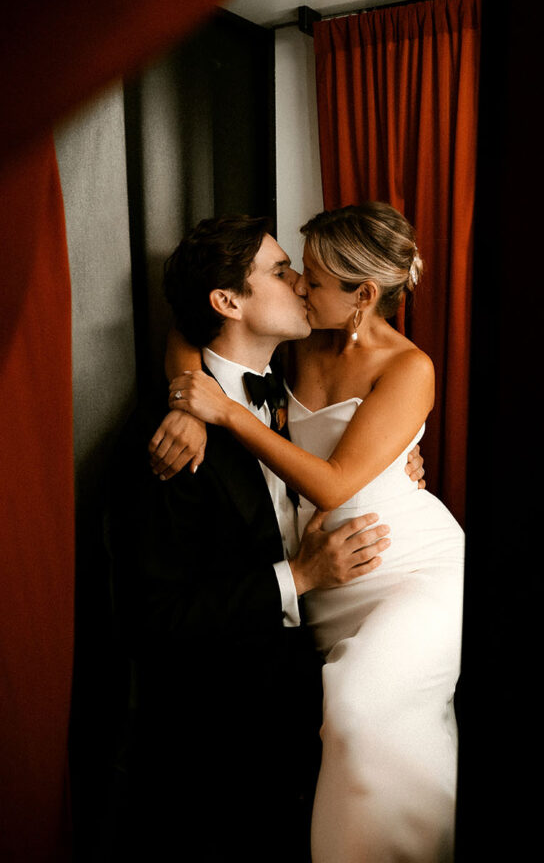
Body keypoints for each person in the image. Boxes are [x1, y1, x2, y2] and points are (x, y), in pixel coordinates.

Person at [109, 213, 424, 862]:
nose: (303, 283)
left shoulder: (295, 387)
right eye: (283, 273)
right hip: (211, 752)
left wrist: (394, 469)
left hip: (297, 718)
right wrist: (299, 579)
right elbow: (152, 621)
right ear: (228, 301)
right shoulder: (168, 442)